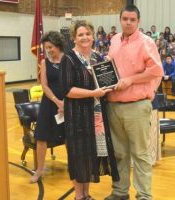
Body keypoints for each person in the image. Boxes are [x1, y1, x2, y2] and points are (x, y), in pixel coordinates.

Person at [105, 5, 163, 200]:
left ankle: (144, 195)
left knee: (139, 153)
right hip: (113, 105)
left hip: (136, 105)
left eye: (132, 20)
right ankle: (120, 192)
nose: (128, 22)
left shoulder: (146, 42)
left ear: (138, 21)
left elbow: (156, 71)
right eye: (125, 19)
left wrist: (130, 80)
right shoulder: (113, 41)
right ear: (120, 20)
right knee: (119, 153)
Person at [60, 20, 120, 200]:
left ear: (93, 36)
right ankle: (79, 196)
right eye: (80, 35)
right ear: (74, 38)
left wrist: (112, 72)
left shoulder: (98, 58)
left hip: (96, 116)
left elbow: (108, 83)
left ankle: (87, 195)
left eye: (87, 34)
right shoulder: (68, 59)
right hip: (77, 115)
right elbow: (67, 90)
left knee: (89, 154)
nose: (85, 37)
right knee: (79, 154)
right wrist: (92, 92)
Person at [30, 31, 66, 183]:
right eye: (46, 48)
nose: (49, 50)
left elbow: (72, 83)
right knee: (41, 137)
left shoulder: (68, 60)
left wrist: (65, 102)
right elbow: (44, 85)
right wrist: (58, 102)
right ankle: (39, 169)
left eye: (51, 47)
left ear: (58, 45)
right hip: (49, 103)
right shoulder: (45, 62)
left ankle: (75, 166)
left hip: (68, 101)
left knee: (69, 136)